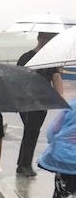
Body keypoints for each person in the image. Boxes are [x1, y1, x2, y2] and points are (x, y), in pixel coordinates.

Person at [15, 32, 64, 177]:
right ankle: (24, 165)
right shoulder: (26, 57)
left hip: (43, 101)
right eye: (49, 38)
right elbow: (19, 78)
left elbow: (56, 77)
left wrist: (60, 97)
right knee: (32, 129)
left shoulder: (52, 59)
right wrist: (35, 66)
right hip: (27, 101)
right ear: (40, 38)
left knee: (33, 131)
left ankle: (23, 163)